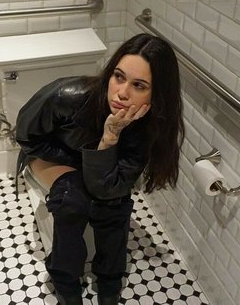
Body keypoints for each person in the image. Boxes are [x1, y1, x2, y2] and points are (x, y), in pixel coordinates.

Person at [15, 33, 184, 305]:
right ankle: (65, 278)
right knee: (72, 200)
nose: (122, 92)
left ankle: (109, 277)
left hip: (98, 161)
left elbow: (107, 187)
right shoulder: (66, 96)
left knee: (114, 201)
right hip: (48, 156)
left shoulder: (149, 127)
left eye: (139, 85)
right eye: (119, 76)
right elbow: (26, 137)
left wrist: (109, 138)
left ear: (156, 94)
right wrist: (80, 161)